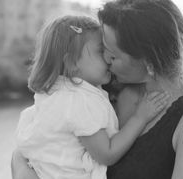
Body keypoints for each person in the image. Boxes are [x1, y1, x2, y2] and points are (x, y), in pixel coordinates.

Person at [12, 0, 183, 179]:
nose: (106, 59)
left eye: (112, 55)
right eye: (103, 49)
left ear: (148, 62)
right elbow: (30, 148)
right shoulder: (102, 88)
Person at [14, 15, 169, 179]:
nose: (108, 57)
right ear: (72, 63)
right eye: (101, 51)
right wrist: (140, 117)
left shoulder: (54, 95)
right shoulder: (80, 101)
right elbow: (107, 154)